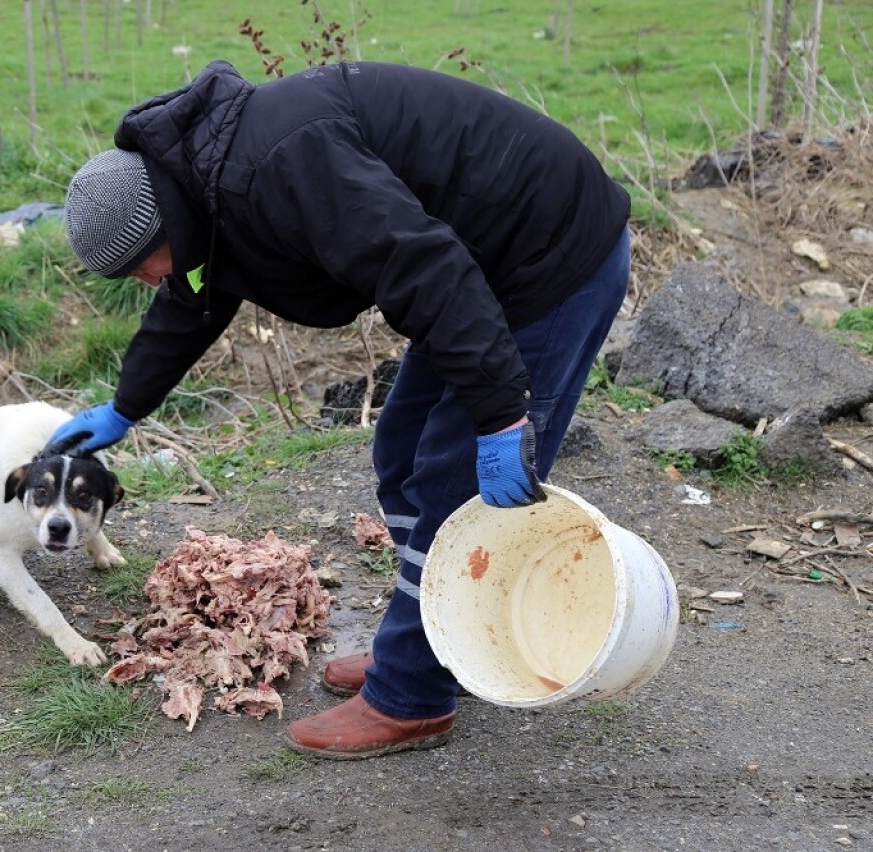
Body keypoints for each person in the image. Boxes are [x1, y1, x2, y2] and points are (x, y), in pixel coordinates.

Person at [47, 59, 631, 759]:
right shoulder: (205, 190)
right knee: (402, 447)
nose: (144, 281)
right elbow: (193, 296)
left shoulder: (281, 165)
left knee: (453, 481)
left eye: (141, 264)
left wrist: (504, 416)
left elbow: (423, 268)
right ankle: (448, 637)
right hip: (475, 267)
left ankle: (413, 696)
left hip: (549, 253)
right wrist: (125, 405)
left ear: (163, 219)